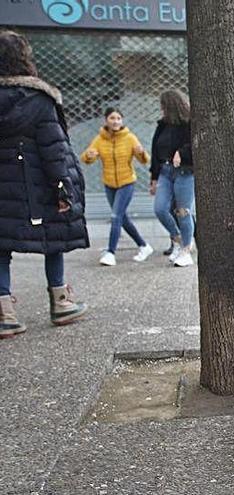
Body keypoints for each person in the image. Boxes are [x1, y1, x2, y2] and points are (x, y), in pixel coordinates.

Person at [0, 30, 88, 337]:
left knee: (0, 247)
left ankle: (4, 313)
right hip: (37, 187)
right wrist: (63, 188)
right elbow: (54, 150)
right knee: (55, 239)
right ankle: (61, 302)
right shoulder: (39, 100)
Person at [81, 107, 153, 266]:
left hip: (127, 182)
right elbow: (87, 158)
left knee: (115, 216)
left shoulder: (130, 138)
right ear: (106, 120)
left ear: (122, 121)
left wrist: (141, 153)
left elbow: (144, 160)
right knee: (122, 218)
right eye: (112, 118)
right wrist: (89, 155)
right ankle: (144, 245)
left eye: (118, 118)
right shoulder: (100, 139)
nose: (115, 121)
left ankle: (110, 253)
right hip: (109, 184)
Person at [150, 90, 195, 267]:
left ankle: (186, 250)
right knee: (160, 208)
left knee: (183, 211)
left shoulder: (189, 123)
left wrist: (181, 153)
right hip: (165, 171)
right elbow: (155, 151)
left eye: (163, 106)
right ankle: (177, 240)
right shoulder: (162, 125)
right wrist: (153, 177)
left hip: (185, 172)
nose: (161, 109)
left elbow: (195, 143)